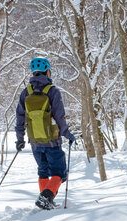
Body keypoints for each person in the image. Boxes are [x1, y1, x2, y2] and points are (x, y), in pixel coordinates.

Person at [16, 57, 76, 210]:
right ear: (47, 71)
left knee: (43, 171)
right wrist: (68, 135)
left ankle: (45, 200)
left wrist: (20, 139)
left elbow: (20, 118)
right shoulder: (53, 91)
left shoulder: (26, 92)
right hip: (52, 141)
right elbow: (59, 116)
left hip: (35, 142)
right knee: (60, 173)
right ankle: (46, 197)